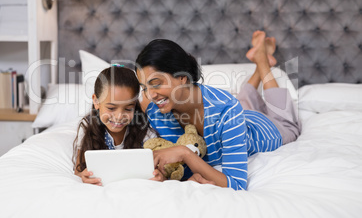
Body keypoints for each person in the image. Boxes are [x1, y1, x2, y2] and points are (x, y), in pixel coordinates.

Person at [135, 31, 301, 189]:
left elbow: (236, 184)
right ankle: (258, 67)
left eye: (156, 83)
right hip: (237, 116)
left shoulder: (226, 108)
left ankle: (263, 62)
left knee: (286, 121)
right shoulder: (156, 113)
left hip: (265, 128)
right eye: (144, 87)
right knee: (241, 103)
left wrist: (185, 154)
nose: (150, 95)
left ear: (181, 77)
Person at [73, 66, 157, 185]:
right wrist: (84, 175)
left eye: (128, 109)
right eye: (111, 108)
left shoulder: (145, 130)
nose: (119, 117)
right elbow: (78, 170)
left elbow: (156, 169)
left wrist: (159, 175)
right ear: (96, 101)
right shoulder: (87, 127)